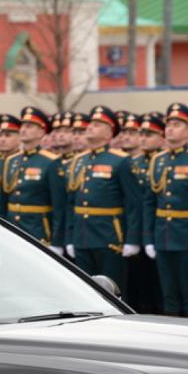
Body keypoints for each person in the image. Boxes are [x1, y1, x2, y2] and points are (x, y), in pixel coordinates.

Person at [143, 103, 188, 318]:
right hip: (163, 235)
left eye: (176, 125)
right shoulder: (157, 160)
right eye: (168, 124)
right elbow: (149, 202)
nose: (170, 129)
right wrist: (148, 238)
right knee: (169, 294)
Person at [65, 106, 141, 291]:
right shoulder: (79, 161)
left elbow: (133, 204)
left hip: (109, 238)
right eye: (91, 123)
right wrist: (69, 237)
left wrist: (131, 239)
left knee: (112, 291)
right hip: (82, 237)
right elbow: (70, 203)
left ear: (109, 133)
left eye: (97, 124)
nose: (90, 127)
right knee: (86, 291)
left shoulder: (120, 161)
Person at [0, 107, 66, 253]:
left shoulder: (50, 162)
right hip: (12, 230)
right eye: (22, 125)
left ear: (41, 132)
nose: (23, 130)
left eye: (29, 126)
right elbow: (2, 203)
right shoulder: (11, 161)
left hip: (37, 231)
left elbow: (58, 206)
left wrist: (57, 241)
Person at [127, 113, 165, 314]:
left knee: (160, 285)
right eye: (141, 134)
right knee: (141, 283)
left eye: (149, 134)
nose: (142, 138)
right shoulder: (133, 162)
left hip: (160, 231)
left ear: (161, 137)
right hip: (135, 230)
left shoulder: (164, 161)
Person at [0, 114, 21, 204]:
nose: (2, 139)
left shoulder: (23, 162)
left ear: (19, 138)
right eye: (1, 135)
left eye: (8, 135)